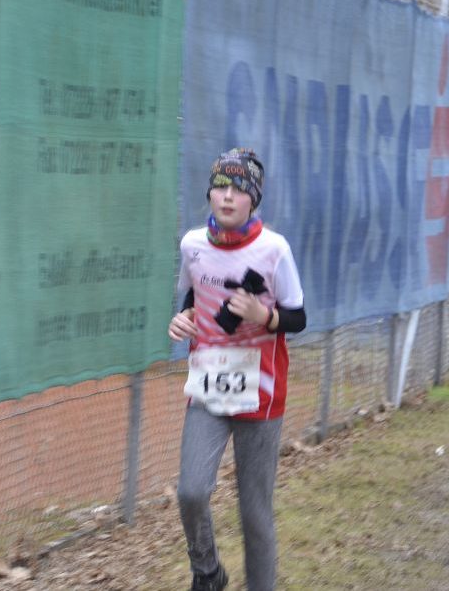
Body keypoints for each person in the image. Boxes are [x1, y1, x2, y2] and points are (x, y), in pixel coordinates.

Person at [168, 148, 307, 591]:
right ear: (209, 193)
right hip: (208, 387)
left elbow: (299, 317)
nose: (226, 197)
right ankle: (207, 572)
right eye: (219, 187)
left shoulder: (274, 249)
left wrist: (262, 316)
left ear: (253, 199)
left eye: (237, 190)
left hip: (261, 392)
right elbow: (190, 299)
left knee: (254, 513)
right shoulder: (192, 245)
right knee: (191, 491)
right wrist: (182, 318)